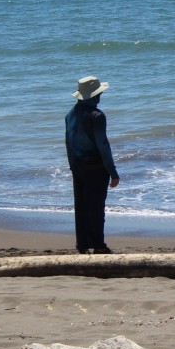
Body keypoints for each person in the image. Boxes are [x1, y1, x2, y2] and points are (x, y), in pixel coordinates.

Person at [65, 75, 120, 255]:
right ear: (94, 96)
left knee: (81, 206)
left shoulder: (70, 115)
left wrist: (72, 166)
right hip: (95, 168)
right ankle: (98, 245)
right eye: (99, 94)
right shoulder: (97, 116)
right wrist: (113, 172)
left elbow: (69, 143)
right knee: (96, 207)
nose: (100, 96)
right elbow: (103, 146)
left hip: (78, 166)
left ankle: (82, 244)